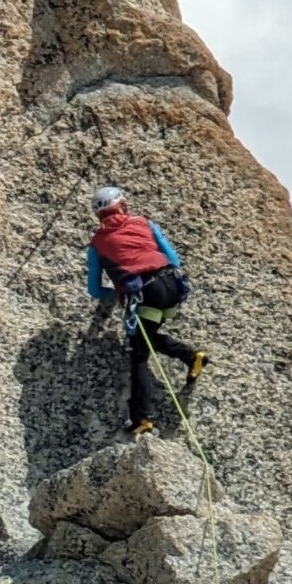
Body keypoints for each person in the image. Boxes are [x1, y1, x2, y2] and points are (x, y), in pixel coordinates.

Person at [86, 186, 209, 435]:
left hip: (146, 295)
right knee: (145, 339)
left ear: (99, 216)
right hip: (172, 286)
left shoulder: (97, 245)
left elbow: (95, 290)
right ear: (122, 206)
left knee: (139, 355)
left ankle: (142, 418)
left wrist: (121, 294)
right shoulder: (144, 223)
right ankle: (190, 356)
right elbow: (174, 260)